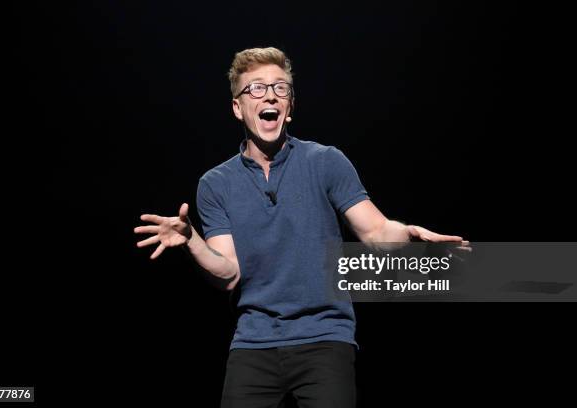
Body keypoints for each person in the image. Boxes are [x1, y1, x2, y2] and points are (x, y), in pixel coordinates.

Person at [134, 47, 468, 407]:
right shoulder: (215, 184)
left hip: (325, 337)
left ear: (290, 107)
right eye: (257, 89)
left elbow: (375, 231)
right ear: (237, 107)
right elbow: (228, 273)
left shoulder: (325, 162)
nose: (271, 95)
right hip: (253, 344)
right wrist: (190, 239)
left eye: (281, 88)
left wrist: (408, 236)